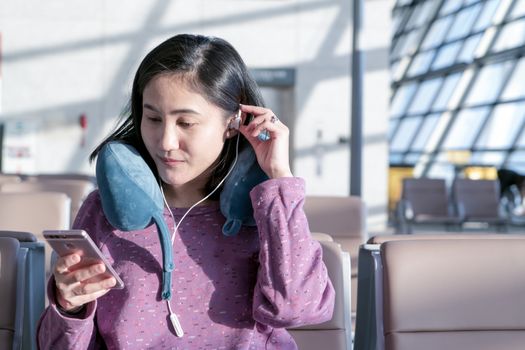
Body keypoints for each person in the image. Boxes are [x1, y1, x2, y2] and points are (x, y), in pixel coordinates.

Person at [37, 34, 335, 349]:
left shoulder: (266, 211)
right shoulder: (103, 209)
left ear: (233, 122)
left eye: (186, 123)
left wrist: (278, 177)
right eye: (152, 118)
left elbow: (298, 308)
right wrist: (71, 307)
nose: (165, 141)